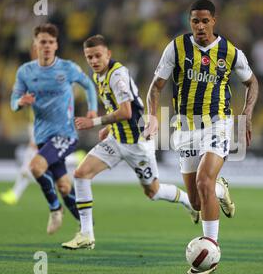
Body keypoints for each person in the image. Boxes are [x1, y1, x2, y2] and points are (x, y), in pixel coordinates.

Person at [144, 0, 259, 274]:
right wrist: (152, 115)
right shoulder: (176, 48)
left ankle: (212, 252)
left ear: (214, 21)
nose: (200, 26)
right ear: (190, 22)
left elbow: (252, 82)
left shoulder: (230, 52)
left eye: (205, 21)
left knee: (203, 180)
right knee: (196, 201)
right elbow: (155, 87)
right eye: (195, 21)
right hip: (184, 128)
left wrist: (247, 112)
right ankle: (221, 191)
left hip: (218, 124)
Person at [61, 35, 199, 250]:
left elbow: (126, 111)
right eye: (89, 57)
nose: (94, 60)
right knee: (81, 174)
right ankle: (86, 234)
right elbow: (121, 107)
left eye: (98, 55)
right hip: (117, 140)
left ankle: (188, 200)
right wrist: (109, 126)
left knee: (152, 192)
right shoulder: (98, 76)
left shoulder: (117, 75)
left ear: (108, 54)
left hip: (137, 144)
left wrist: (95, 122)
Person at [10, 23, 98, 235]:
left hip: (66, 134)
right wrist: (20, 102)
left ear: (56, 45)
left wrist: (92, 110)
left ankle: (55, 209)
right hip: (42, 136)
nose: (47, 46)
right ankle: (86, 225)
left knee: (35, 167)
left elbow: (88, 85)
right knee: (64, 187)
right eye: (42, 42)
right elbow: (13, 101)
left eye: (50, 42)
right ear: (35, 45)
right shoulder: (25, 72)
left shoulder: (67, 68)